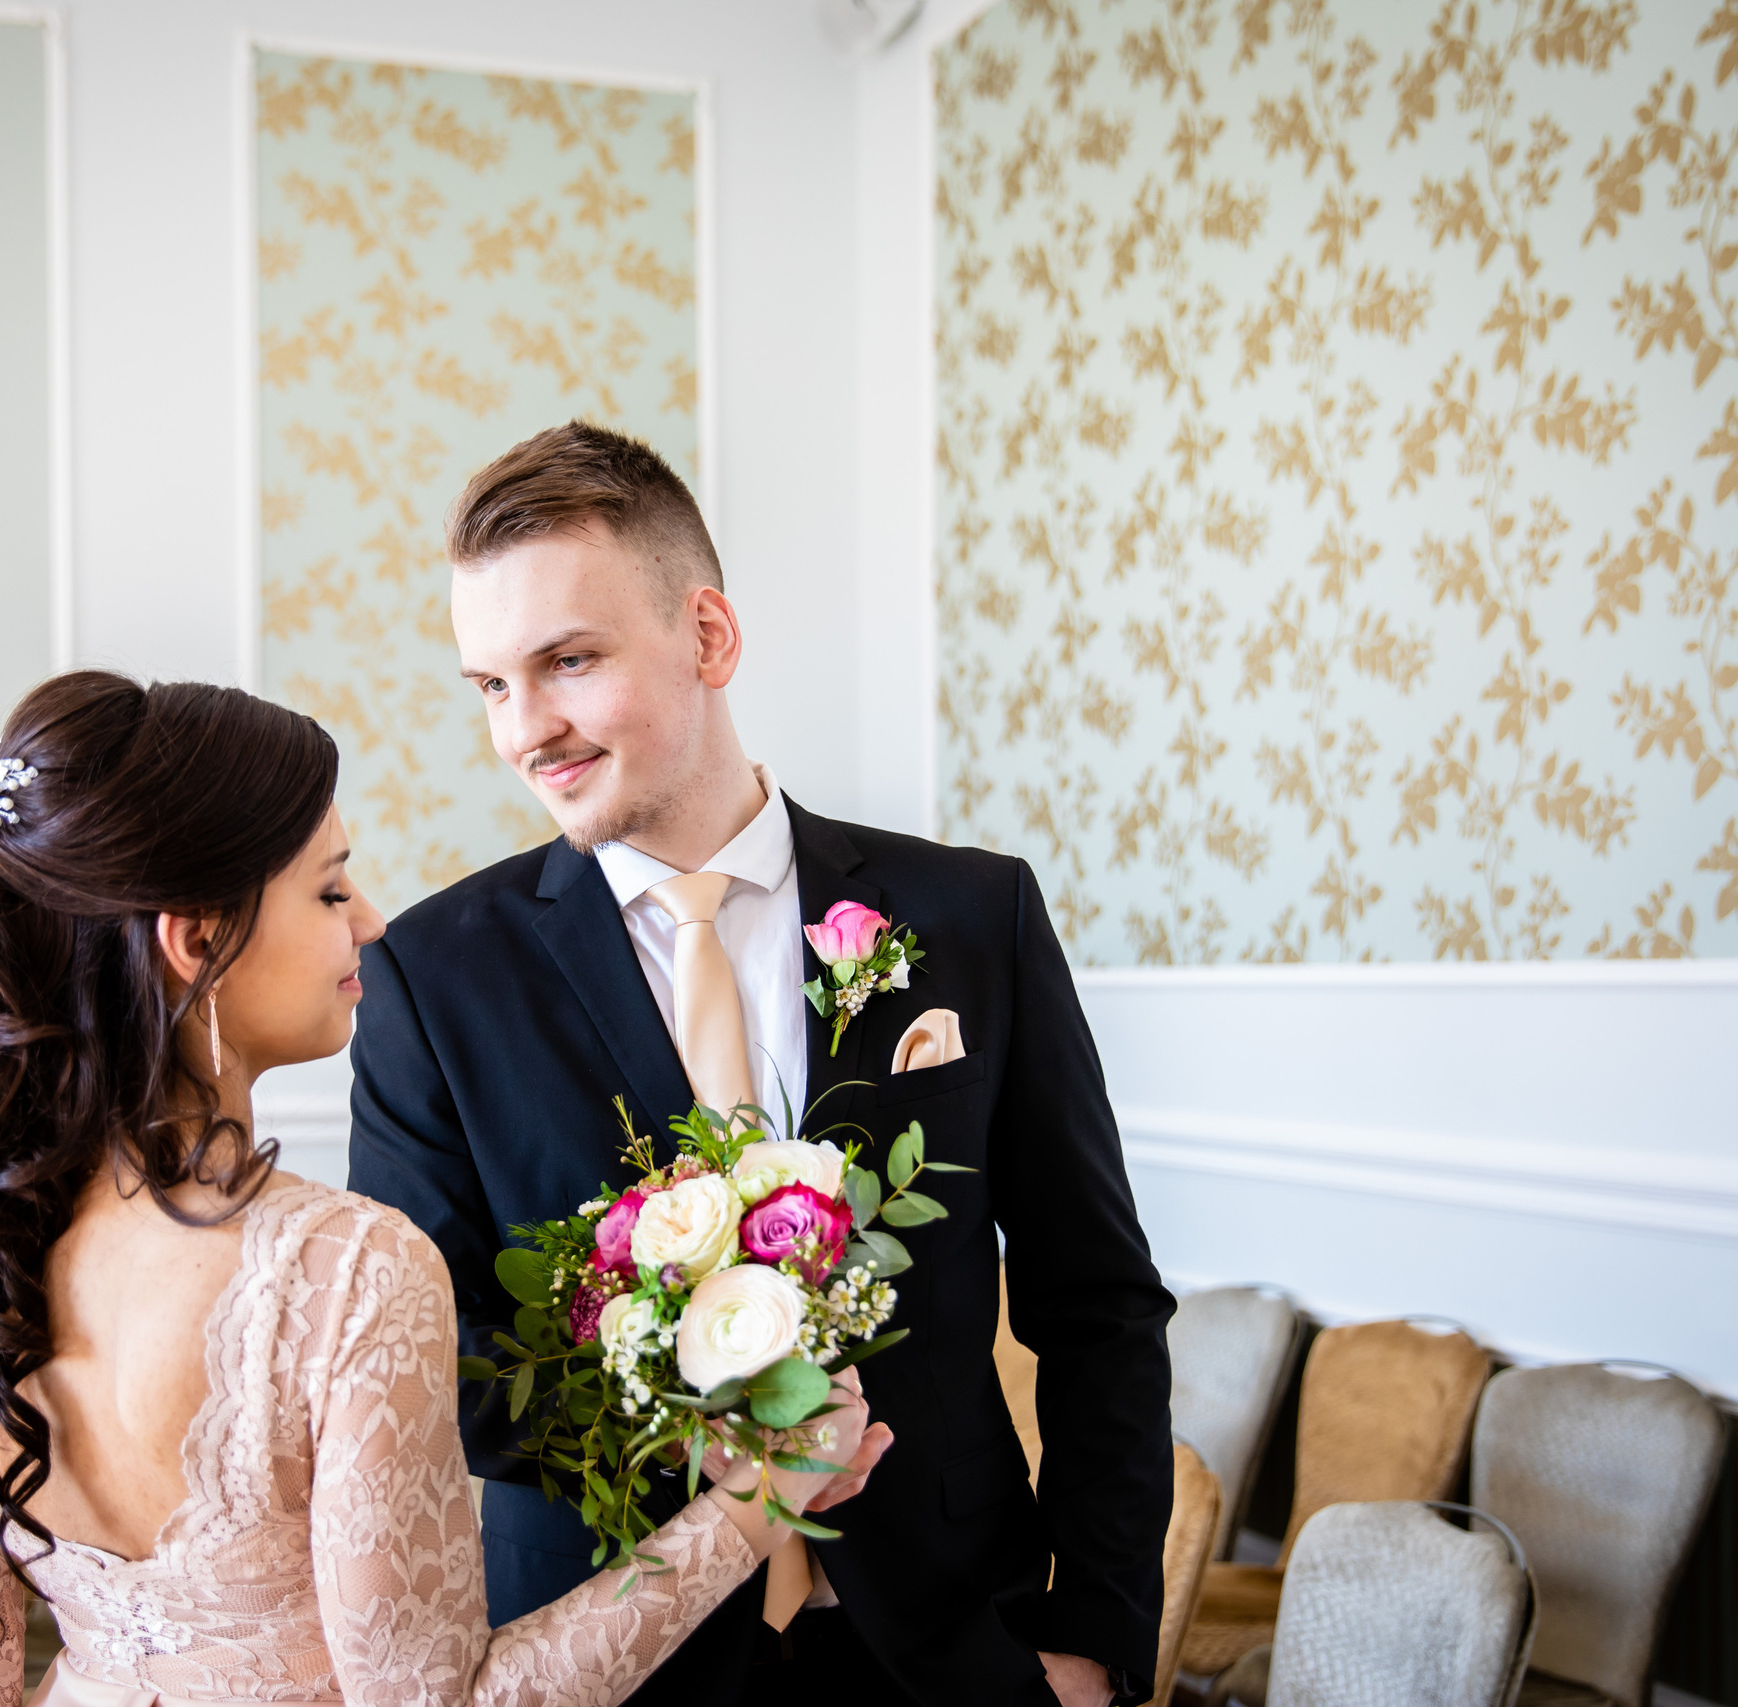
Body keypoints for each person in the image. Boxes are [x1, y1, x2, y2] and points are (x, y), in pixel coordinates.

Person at [0, 670, 882, 1707]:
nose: (372, 923)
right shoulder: (345, 1271)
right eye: (331, 890)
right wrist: (760, 1499)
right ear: (197, 940)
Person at [348, 424, 1177, 1707]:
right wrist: (722, 1444)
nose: (527, 731)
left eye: (568, 661)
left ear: (708, 636)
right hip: (615, 1649)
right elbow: (438, 1368)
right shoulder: (430, 976)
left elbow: (1097, 1303)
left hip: (957, 1648)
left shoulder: (972, 917)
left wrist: (1095, 1642)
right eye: (492, 686)